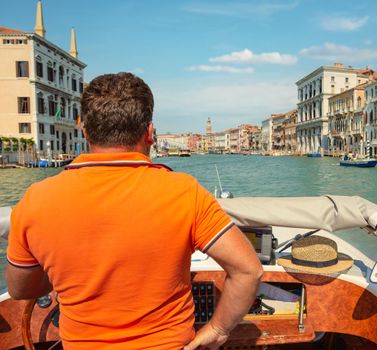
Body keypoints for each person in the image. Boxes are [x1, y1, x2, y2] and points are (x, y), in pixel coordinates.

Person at [6, 72, 263, 350]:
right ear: (150, 133)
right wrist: (218, 328)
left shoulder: (36, 200)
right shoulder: (184, 192)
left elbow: (21, 289)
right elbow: (248, 271)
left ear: (85, 131)